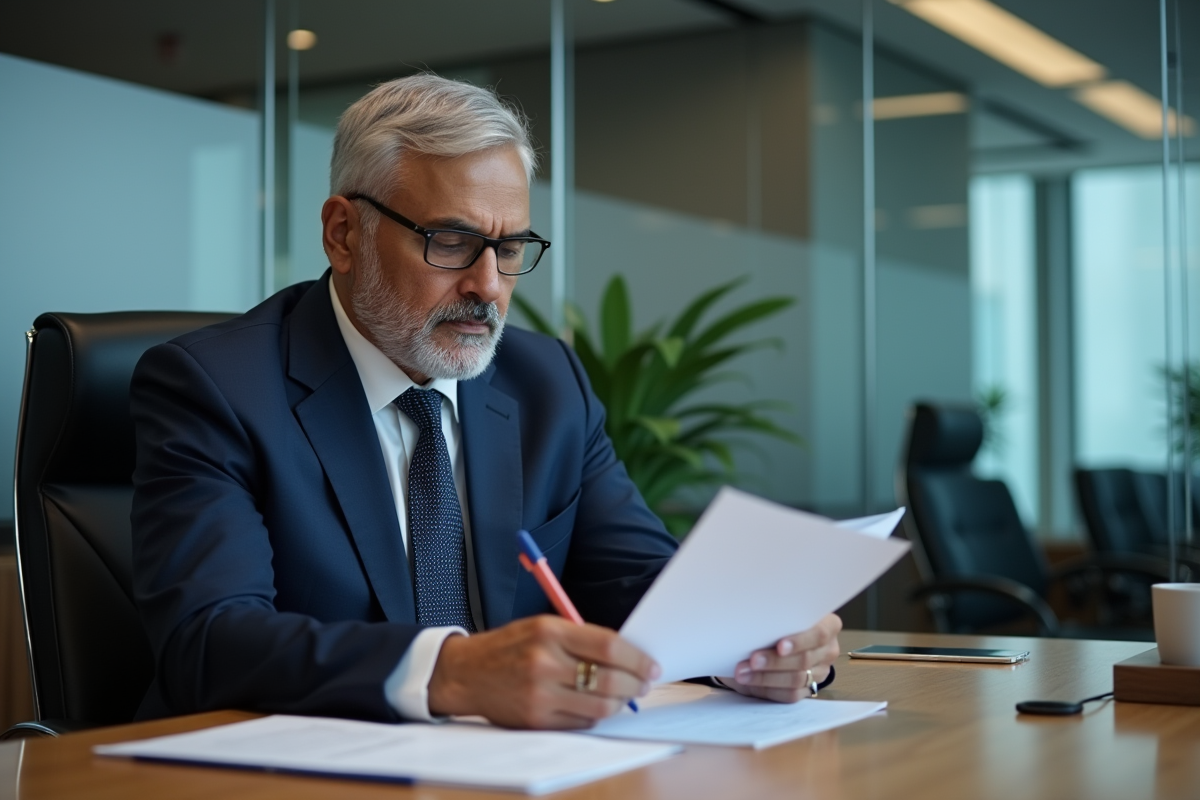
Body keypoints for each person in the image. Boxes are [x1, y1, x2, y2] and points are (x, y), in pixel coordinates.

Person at [130, 73, 840, 729]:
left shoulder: (547, 384)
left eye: (510, 248)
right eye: (451, 241)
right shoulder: (217, 388)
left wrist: (760, 644)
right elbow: (208, 641)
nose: (489, 286)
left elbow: (649, 589)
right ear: (344, 233)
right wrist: (453, 671)